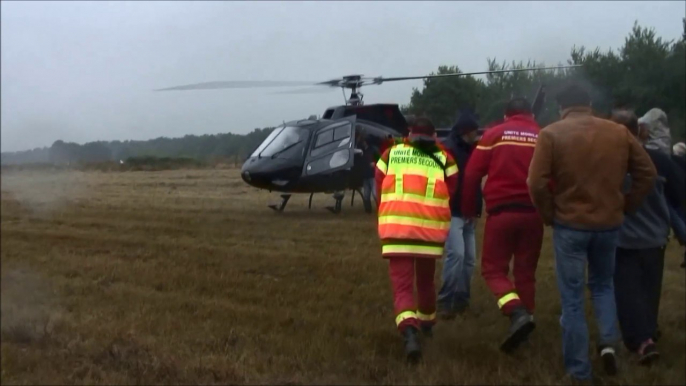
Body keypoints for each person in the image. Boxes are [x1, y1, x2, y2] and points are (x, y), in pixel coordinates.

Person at [527, 84, 656, 382]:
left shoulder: (551, 134)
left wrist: (549, 214)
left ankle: (578, 369)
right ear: (588, 104)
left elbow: (535, 183)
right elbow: (647, 173)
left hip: (570, 225)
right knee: (603, 286)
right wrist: (626, 205)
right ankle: (608, 345)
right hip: (609, 223)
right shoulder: (618, 132)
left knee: (572, 298)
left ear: (563, 108)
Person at [461, 97, 543, 352]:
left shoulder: (495, 134)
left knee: (493, 270)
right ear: (530, 113)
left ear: (507, 115)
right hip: (533, 214)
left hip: (502, 213)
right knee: (525, 272)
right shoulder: (543, 135)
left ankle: (515, 311)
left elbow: (473, 173)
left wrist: (468, 209)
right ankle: (526, 323)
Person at [375, 116, 459, 363]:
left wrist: (387, 209)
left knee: (402, 286)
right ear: (434, 135)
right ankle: (427, 325)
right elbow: (452, 188)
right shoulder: (444, 157)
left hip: (397, 231)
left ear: (409, 133)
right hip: (429, 232)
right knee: (425, 282)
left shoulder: (391, 154)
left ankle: (409, 332)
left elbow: (379, 185)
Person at [610, 109, 685, 365]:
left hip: (624, 239)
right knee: (650, 288)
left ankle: (642, 341)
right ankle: (648, 331)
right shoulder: (660, 160)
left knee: (627, 291)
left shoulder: (610, 163)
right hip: (655, 237)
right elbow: (679, 193)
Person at [437, 109, 482, 318]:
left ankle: (462, 299)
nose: (478, 134)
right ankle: (446, 300)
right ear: (467, 132)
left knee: (470, 259)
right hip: (453, 211)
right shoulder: (449, 150)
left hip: (469, 212)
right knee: (457, 255)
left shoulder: (472, 149)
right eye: (475, 131)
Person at [357, 133, 380, 213]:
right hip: (366, 174)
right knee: (366, 194)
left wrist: (375, 163)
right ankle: (368, 210)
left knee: (374, 194)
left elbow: (379, 160)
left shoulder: (372, 150)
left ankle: (378, 208)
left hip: (371, 174)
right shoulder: (363, 149)